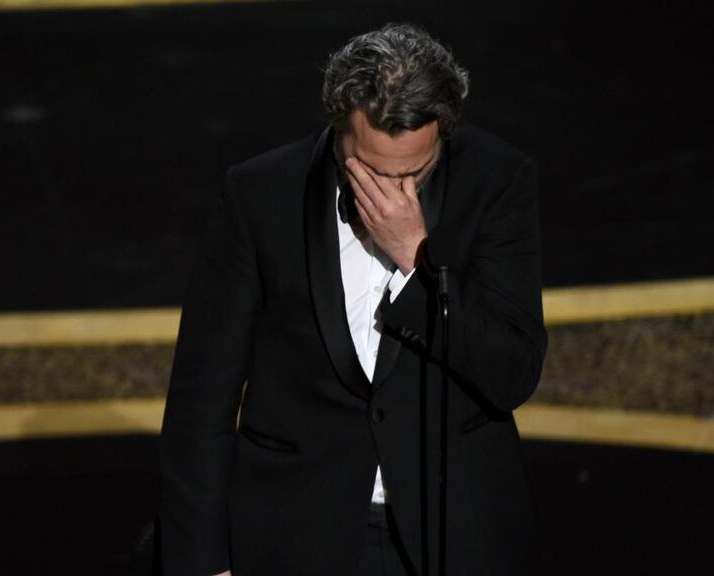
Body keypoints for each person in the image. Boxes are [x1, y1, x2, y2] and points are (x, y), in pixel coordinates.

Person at [158, 22, 547, 576]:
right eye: (372, 172)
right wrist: (202, 561)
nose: (394, 195)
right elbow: (203, 398)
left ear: (445, 134)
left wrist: (416, 257)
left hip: (455, 534)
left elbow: (511, 373)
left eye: (415, 173)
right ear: (340, 128)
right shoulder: (260, 194)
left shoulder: (497, 182)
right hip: (296, 533)